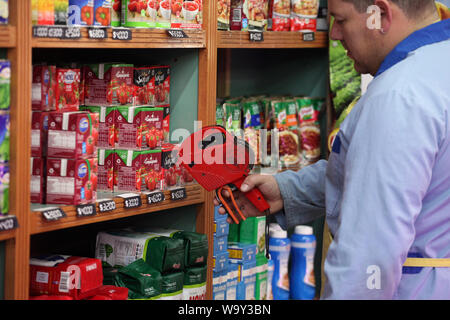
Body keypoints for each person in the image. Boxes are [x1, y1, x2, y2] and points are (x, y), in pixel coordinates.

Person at [215, 0, 450, 299]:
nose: (335, 34)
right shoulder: (439, 63)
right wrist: (288, 190)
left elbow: (368, 257)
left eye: (340, 20)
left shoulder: (397, 96)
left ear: (381, 14)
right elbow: (399, 179)